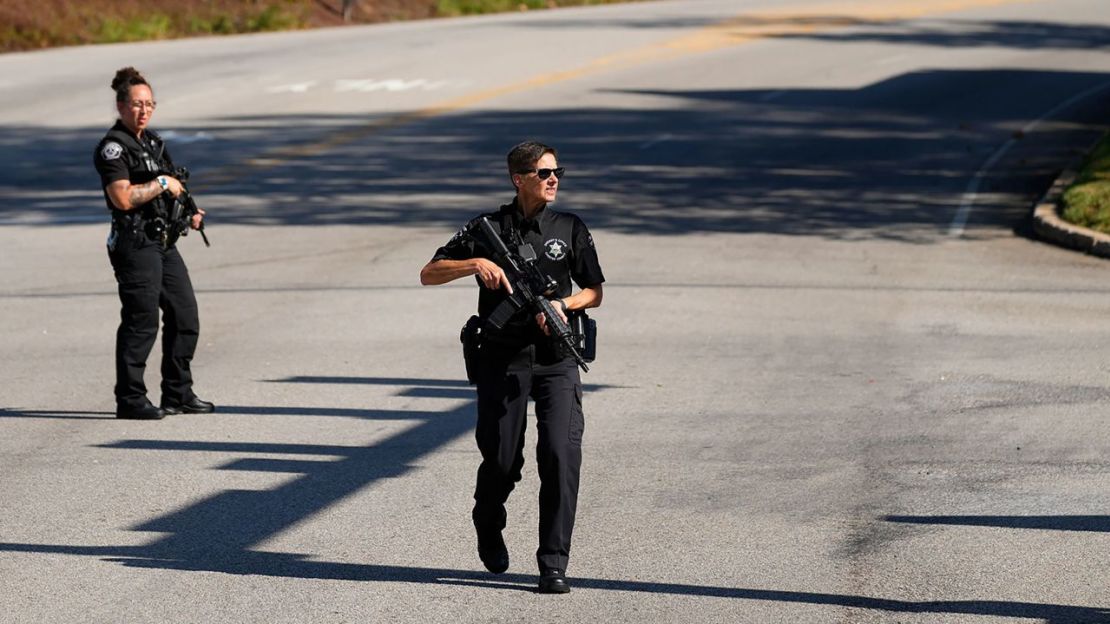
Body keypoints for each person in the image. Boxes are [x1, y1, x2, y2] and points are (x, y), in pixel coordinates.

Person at [420, 141, 605, 594]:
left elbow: (594, 291)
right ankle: (488, 519)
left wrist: (563, 305)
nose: (554, 179)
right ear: (518, 179)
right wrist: (474, 263)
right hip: (502, 358)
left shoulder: (569, 227)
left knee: (561, 455)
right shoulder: (488, 228)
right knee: (503, 461)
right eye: (544, 173)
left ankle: (553, 563)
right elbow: (429, 272)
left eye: (557, 171)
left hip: (557, 358)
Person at [93, 67, 214, 420]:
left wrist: (189, 210)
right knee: (141, 321)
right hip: (134, 244)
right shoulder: (113, 148)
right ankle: (130, 399)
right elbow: (123, 199)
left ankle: (178, 393)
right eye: (136, 104)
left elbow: (175, 182)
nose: (143, 111)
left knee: (184, 314)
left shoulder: (152, 142)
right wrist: (162, 184)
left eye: (149, 104)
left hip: (163, 241)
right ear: (120, 106)